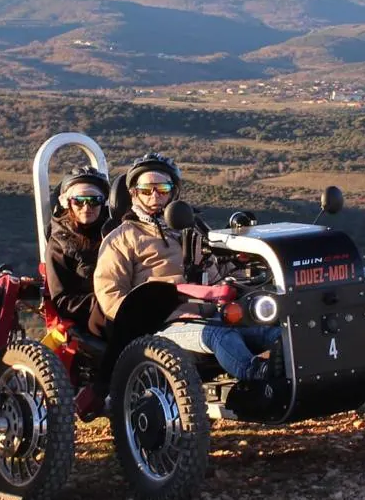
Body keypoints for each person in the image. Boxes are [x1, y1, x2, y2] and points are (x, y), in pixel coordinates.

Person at [94, 153, 280, 382]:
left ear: (174, 192)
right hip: (164, 324)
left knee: (272, 330)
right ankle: (257, 375)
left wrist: (242, 272)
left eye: (162, 188)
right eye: (146, 189)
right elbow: (110, 295)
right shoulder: (121, 238)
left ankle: (305, 377)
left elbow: (222, 269)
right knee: (221, 337)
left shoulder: (193, 228)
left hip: (215, 313)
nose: (155, 196)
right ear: (133, 193)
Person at [44, 166, 109, 334]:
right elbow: (62, 300)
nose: (87, 207)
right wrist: (104, 302)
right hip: (89, 320)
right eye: (79, 200)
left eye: (94, 200)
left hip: (123, 306)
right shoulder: (59, 243)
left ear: (103, 202)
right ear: (67, 203)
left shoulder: (117, 233)